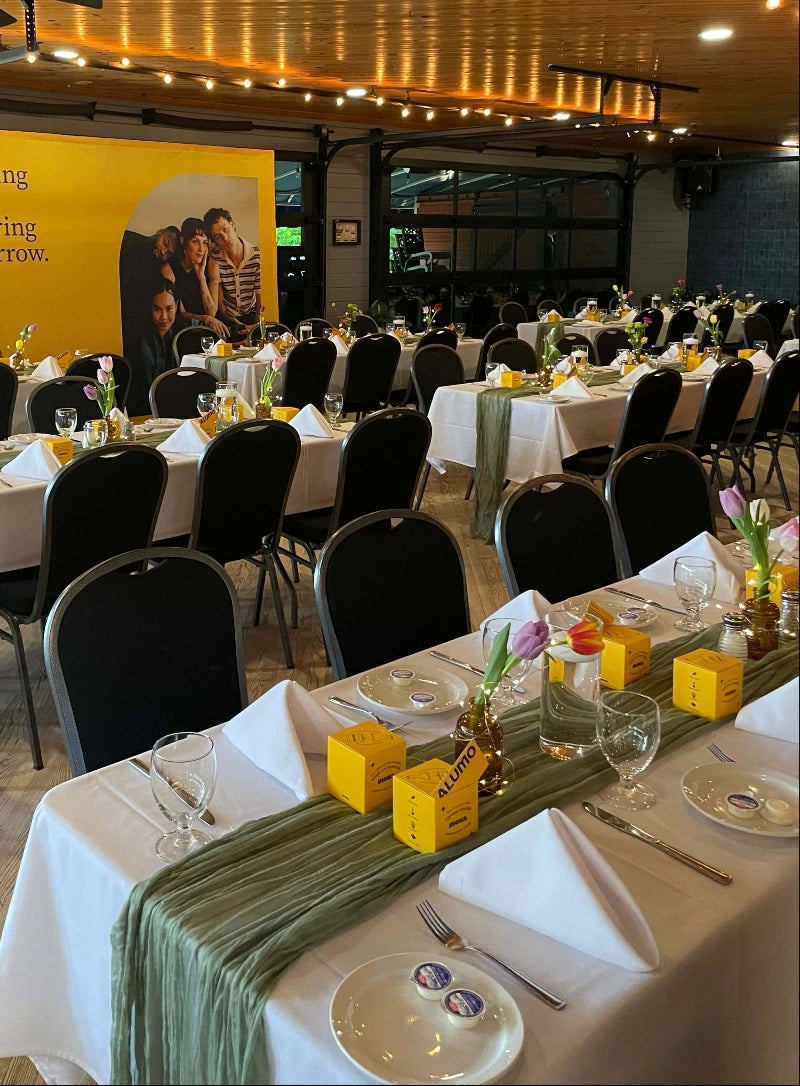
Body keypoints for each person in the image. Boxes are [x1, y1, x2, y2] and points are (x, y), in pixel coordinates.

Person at [161, 218, 228, 340]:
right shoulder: (170, 269)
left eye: (204, 243)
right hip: (186, 327)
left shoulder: (212, 265)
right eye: (195, 241)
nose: (201, 249)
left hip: (213, 328)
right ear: (183, 242)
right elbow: (180, 312)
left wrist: (201, 277)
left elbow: (212, 311)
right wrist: (206, 319)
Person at [119, 226, 181, 358]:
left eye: (169, 253)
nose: (163, 251)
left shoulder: (160, 268)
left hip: (138, 324)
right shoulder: (127, 239)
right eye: (164, 243)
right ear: (160, 231)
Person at [127, 280, 184, 415]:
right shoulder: (137, 340)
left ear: (176, 305)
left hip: (178, 410)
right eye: (157, 309)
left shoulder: (184, 336)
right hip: (143, 412)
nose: (163, 317)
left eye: (169, 308)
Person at [203, 207, 261, 335]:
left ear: (232, 224)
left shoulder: (255, 255)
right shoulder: (216, 258)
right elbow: (220, 306)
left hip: (251, 314)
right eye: (218, 236)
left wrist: (255, 327)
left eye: (225, 229)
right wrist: (239, 325)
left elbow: (260, 299)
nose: (225, 237)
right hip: (227, 318)